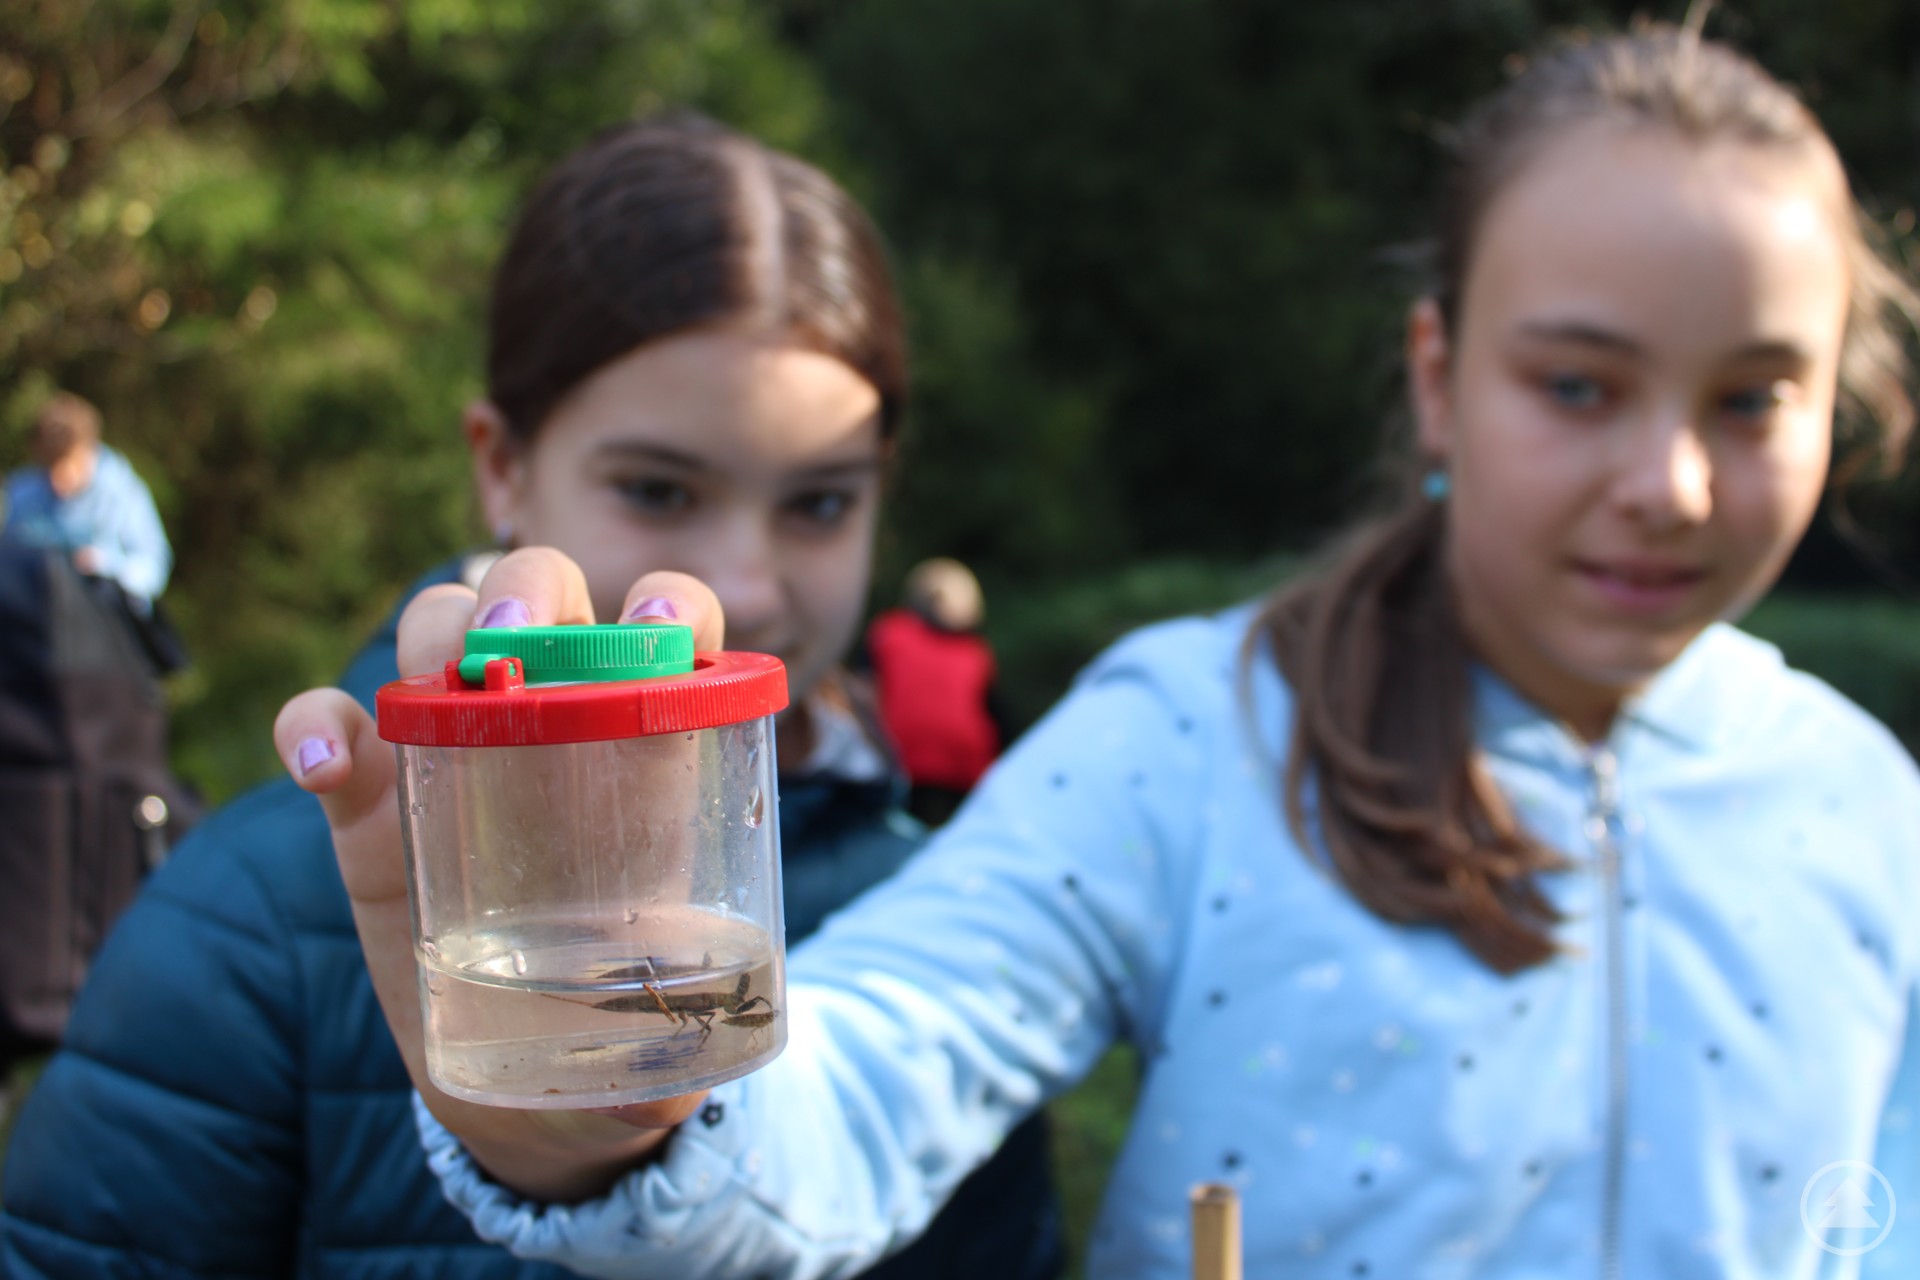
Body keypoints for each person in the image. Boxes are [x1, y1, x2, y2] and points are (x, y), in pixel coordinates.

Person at [283, 27, 1919, 1278]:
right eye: (1577, 383)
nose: (1670, 482)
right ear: (1438, 374)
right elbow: (870, 1076)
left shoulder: (1873, 807)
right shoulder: (1191, 738)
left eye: (1754, 395)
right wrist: (623, 1112)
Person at [0, 115, 1063, 1280]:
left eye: (818, 503)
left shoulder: (932, 915)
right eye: (659, 486)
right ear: (501, 464)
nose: (742, 582)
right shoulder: (256, 913)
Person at [864, 557, 1005, 824]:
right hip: (966, 773)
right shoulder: (976, 653)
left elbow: (866, 692)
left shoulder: (889, 634)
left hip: (899, 764)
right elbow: (995, 716)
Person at [2, 391, 172, 611]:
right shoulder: (22, 491)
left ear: (89, 450)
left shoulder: (121, 491)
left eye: (67, 465)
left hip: (108, 620)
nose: (57, 479)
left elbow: (154, 567)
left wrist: (107, 567)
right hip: (40, 619)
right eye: (49, 466)